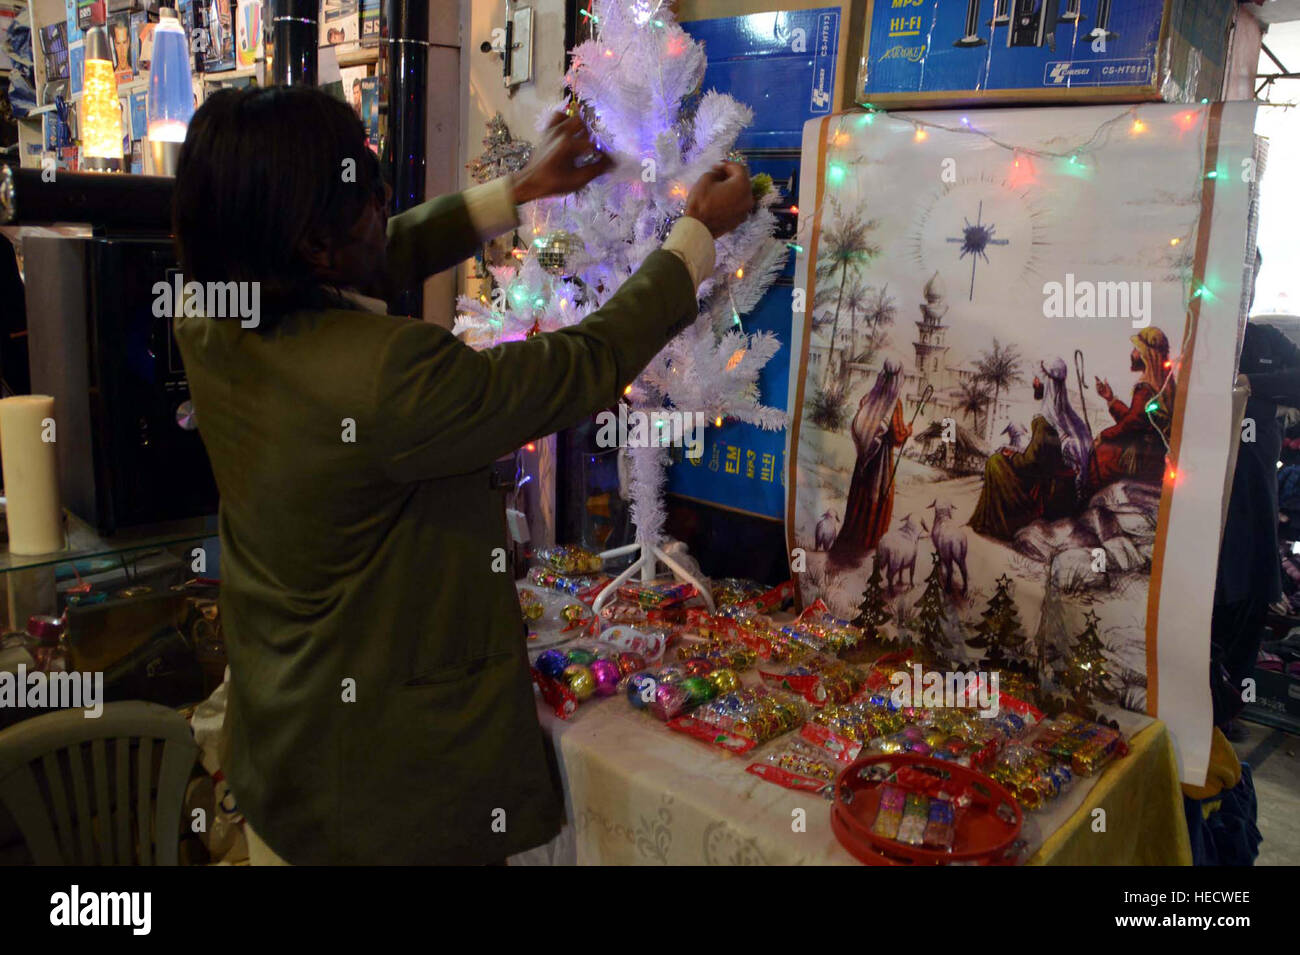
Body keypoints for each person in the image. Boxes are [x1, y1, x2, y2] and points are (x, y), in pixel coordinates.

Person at [171, 86, 754, 864]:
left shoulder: (209, 314)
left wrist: (517, 192)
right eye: (368, 196)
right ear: (313, 247)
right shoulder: (384, 376)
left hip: (284, 751)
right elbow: (578, 366)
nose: (385, 202)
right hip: (382, 798)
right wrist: (693, 238)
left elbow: (378, 251)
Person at [1213, 251, 1299, 739]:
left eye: (1252, 275)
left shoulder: (1268, 341)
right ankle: (1195, 696)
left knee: (1248, 597)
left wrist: (1255, 383)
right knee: (1205, 598)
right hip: (1202, 497)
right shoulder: (1197, 339)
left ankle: (1229, 708)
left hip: (1253, 498)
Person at [970, 358, 1089, 540]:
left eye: (1036, 378)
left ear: (1045, 383)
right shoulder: (1069, 420)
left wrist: (1010, 456)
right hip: (1062, 490)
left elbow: (1030, 462)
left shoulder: (1044, 421)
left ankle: (997, 526)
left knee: (995, 461)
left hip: (1046, 495)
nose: (1033, 382)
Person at [830, 357, 909, 559]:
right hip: (880, 460)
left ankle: (852, 536)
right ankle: (869, 541)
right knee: (878, 494)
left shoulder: (870, 397)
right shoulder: (894, 404)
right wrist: (908, 431)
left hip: (864, 458)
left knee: (860, 493)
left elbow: (863, 422)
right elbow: (898, 435)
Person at [1088, 326, 1174, 491]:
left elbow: (1132, 423)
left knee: (1099, 459)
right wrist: (1110, 399)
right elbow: (1136, 419)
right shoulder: (1162, 385)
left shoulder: (1146, 388)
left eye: (1136, 349)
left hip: (1144, 458)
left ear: (1147, 354)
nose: (1132, 353)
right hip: (1151, 453)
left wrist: (1103, 436)